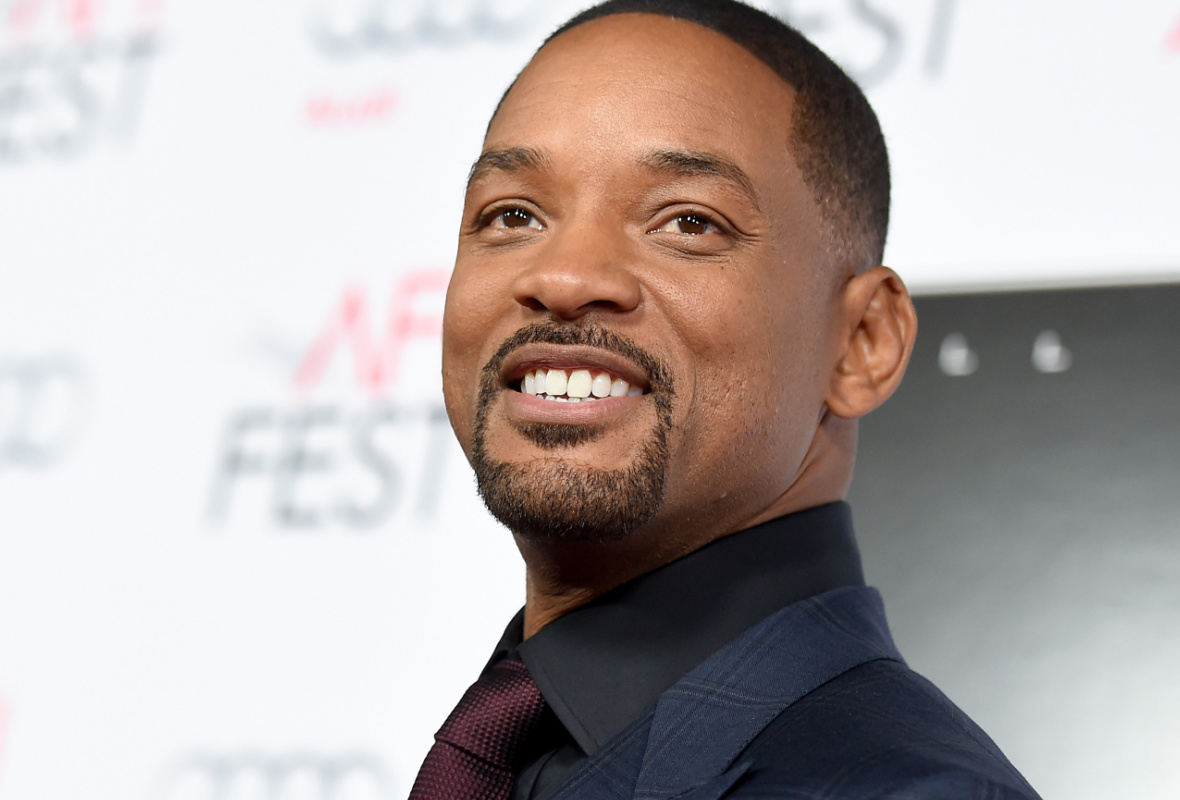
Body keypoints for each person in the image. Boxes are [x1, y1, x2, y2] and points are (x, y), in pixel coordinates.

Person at [408, 1, 1040, 798]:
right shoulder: (517, 743)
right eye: (513, 214)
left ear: (862, 343)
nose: (562, 277)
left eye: (688, 223)